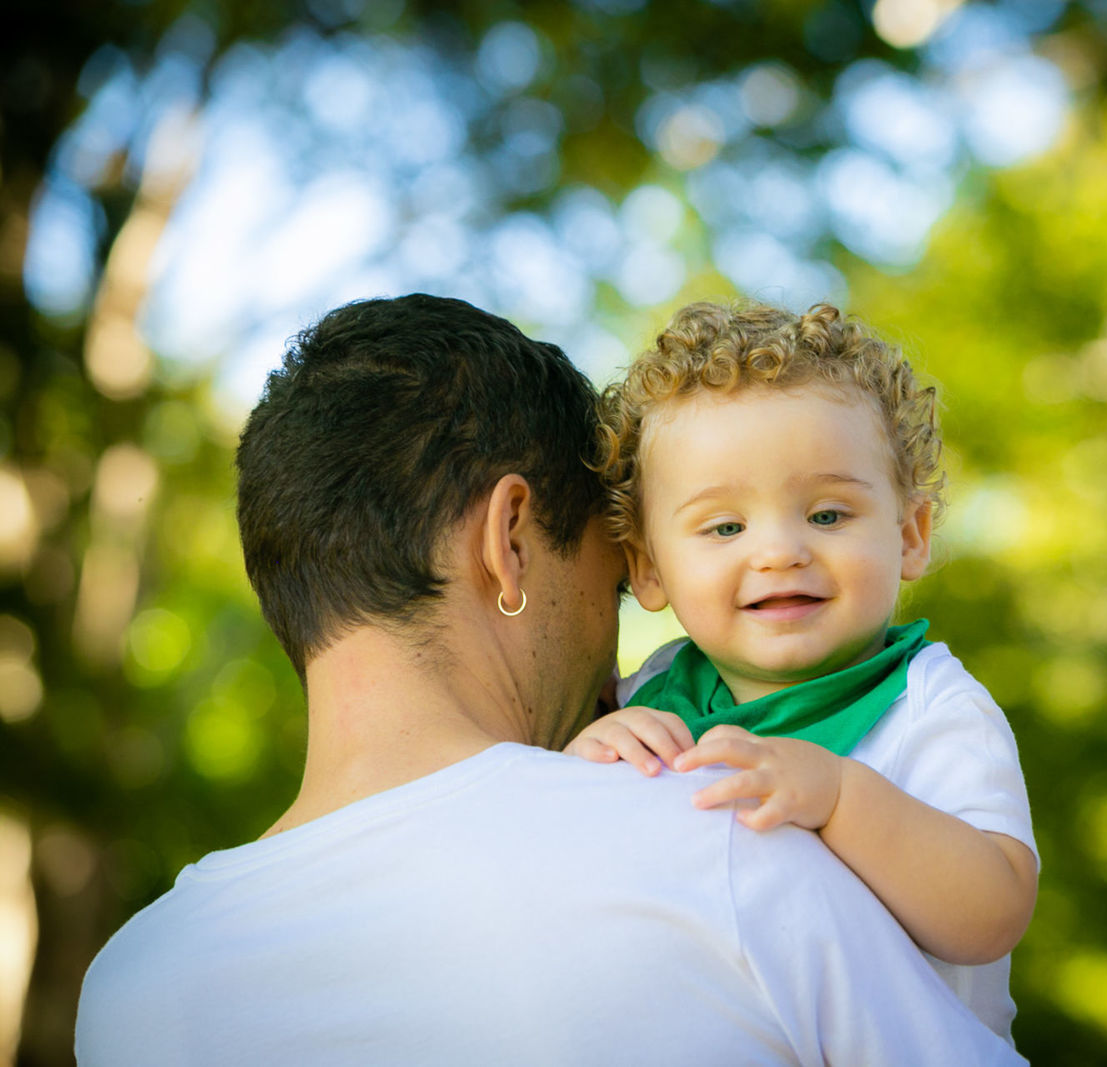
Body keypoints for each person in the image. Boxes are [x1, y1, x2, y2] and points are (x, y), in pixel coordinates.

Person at [74, 294, 1022, 1066]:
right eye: (615, 576)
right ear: (511, 540)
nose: (616, 663)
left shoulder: (126, 992)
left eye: (823, 512)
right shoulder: (720, 840)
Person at [562, 301, 1039, 1040]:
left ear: (910, 535)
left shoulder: (929, 705)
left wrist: (841, 795)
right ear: (648, 568)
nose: (780, 550)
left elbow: (994, 909)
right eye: (725, 526)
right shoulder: (651, 694)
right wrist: (586, 759)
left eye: (827, 515)